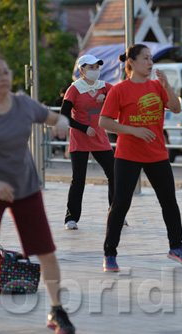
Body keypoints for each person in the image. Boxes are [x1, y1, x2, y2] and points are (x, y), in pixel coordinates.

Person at [0, 51, 75, 334]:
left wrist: (63, 124)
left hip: (25, 188)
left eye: (6, 71)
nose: (4, 77)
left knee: (47, 253)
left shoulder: (23, 103)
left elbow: (55, 119)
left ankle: (57, 311)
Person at [99, 44, 182, 272]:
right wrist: (134, 130)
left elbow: (176, 108)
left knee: (169, 202)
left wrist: (167, 86)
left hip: (157, 154)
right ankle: (110, 253)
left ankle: (177, 247)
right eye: (145, 58)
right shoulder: (119, 90)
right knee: (121, 204)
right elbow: (104, 121)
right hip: (128, 155)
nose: (150, 63)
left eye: (151, 59)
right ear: (131, 62)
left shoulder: (156, 86)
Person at [60, 54, 116, 230]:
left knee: (115, 174)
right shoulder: (74, 89)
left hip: (100, 137)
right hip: (80, 138)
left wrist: (106, 98)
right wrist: (83, 128)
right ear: (82, 70)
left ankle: (115, 214)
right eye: (91, 67)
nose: (95, 71)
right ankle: (71, 218)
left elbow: (120, 97)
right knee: (79, 179)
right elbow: (63, 116)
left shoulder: (105, 87)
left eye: (97, 67)